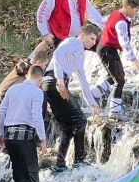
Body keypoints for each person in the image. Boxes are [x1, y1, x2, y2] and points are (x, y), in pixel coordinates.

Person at [43, 24, 101, 172]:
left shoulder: (80, 53)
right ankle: (79, 161)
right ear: (82, 35)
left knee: (67, 126)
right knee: (80, 120)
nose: (93, 43)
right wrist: (60, 80)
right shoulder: (74, 42)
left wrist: (92, 104)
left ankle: (60, 165)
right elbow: (57, 54)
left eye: (95, 40)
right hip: (56, 82)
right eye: (92, 38)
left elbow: (83, 81)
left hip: (51, 84)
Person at [0, 65, 47, 182]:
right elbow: (37, 116)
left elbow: (1, 112)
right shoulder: (37, 92)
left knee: (19, 176)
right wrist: (43, 139)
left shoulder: (13, 89)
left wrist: (0, 134)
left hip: (10, 136)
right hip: (25, 137)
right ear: (39, 79)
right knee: (32, 177)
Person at [0, 44, 51, 150]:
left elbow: (37, 50)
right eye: (45, 65)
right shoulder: (30, 71)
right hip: (5, 93)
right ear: (39, 63)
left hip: (0, 92)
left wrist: (46, 41)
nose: (45, 67)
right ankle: (6, 146)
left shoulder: (27, 63)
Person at [93, 0, 139, 118]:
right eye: (136, 10)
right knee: (120, 80)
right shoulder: (121, 22)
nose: (136, 14)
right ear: (128, 8)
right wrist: (134, 61)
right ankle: (114, 112)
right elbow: (124, 42)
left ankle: (93, 94)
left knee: (115, 76)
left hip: (105, 48)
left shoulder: (115, 13)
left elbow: (104, 21)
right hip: (107, 49)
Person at [36, 0, 105, 46]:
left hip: (78, 37)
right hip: (58, 38)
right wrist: (46, 33)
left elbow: (91, 12)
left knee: (103, 44)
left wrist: (104, 25)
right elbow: (41, 16)